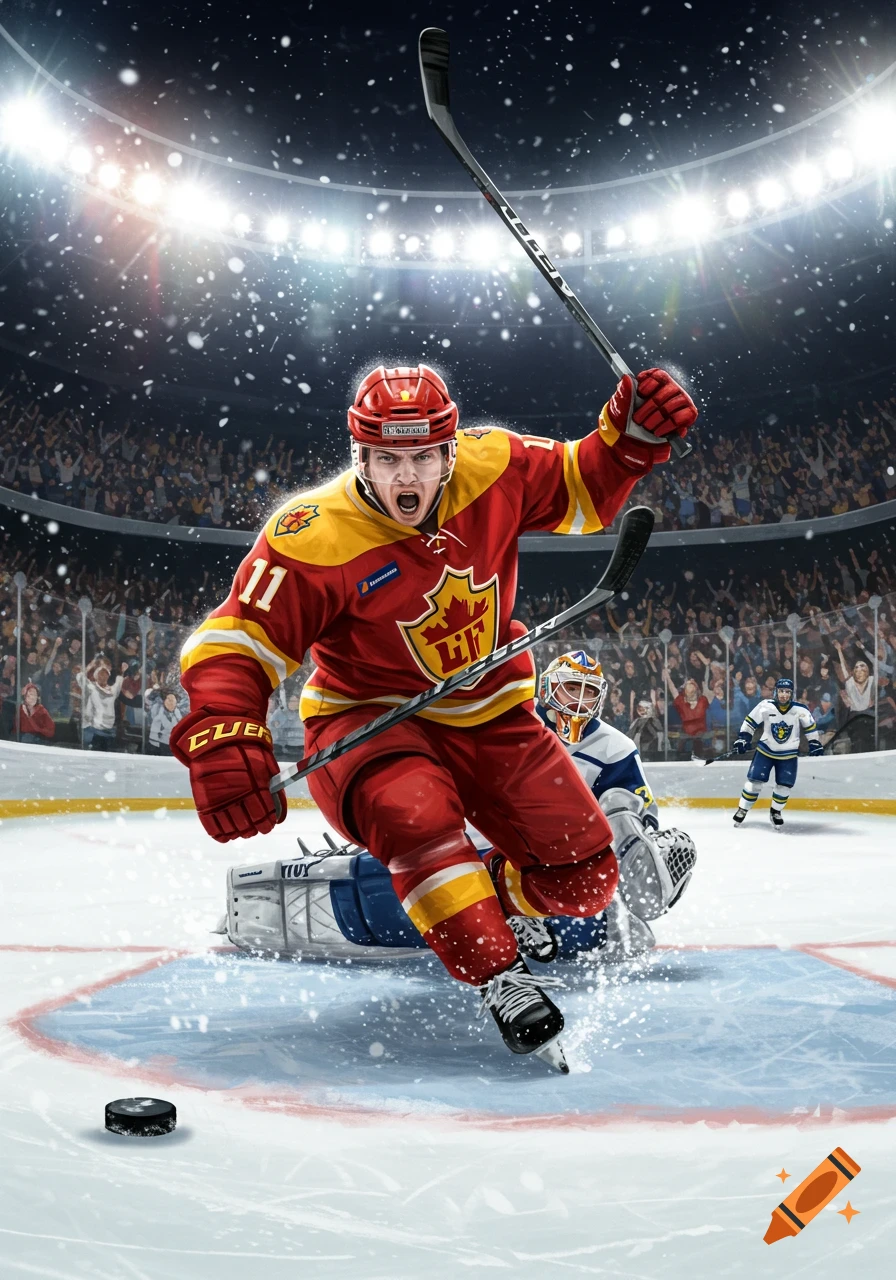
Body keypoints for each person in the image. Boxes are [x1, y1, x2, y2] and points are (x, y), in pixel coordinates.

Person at [171, 361, 697, 1071]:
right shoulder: (311, 535)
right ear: (359, 455)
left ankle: (475, 889)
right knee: (416, 817)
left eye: (422, 456)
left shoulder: (495, 465)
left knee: (584, 879)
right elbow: (237, 640)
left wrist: (628, 439)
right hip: (369, 724)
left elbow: (581, 488)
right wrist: (225, 731)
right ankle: (501, 976)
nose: (406, 477)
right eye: (387, 459)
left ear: (451, 449)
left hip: (491, 715)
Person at [218, 651, 697, 969]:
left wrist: (634, 842)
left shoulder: (614, 747)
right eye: (571, 689)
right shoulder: (516, 724)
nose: (579, 702)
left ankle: (584, 910)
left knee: (611, 811)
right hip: (497, 834)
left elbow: (635, 809)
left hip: (562, 854)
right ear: (550, 689)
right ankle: (514, 909)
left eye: (589, 694)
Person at [731, 677, 822, 828]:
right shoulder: (765, 706)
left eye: (787, 692)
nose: (784, 695)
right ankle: (743, 809)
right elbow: (750, 723)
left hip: (788, 755)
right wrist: (743, 738)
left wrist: (814, 742)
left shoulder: (800, 709)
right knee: (754, 784)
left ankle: (776, 812)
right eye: (781, 691)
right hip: (765, 752)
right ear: (776, 692)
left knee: (784, 787)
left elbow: (810, 727)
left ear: (791, 694)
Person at [78, 656, 125, 750]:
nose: (102, 677)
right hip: (93, 730)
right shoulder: (91, 688)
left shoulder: (112, 690)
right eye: (100, 674)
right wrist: (89, 666)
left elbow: (119, 682)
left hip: (109, 731)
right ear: (96, 676)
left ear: (108, 676)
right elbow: (80, 677)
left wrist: (123, 671)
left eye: (105, 674)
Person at [144, 684, 188, 754]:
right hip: (159, 745)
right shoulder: (157, 710)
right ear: (164, 701)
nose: (171, 703)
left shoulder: (179, 713)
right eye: (169, 700)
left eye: (173, 700)